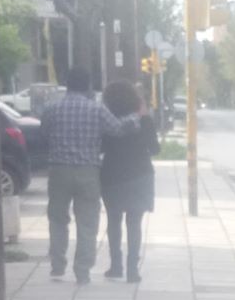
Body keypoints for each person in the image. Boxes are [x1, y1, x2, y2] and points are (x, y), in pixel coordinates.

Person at [42, 67, 138, 285]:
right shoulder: (97, 110)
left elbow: (44, 132)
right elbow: (117, 129)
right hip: (88, 171)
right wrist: (135, 117)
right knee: (87, 223)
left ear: (67, 84)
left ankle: (57, 266)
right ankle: (82, 271)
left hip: (59, 170)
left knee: (57, 218)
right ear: (87, 86)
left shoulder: (52, 109)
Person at [99, 80, 158, 284]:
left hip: (112, 175)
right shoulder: (144, 121)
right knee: (134, 223)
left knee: (113, 221)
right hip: (140, 175)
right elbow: (155, 149)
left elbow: (101, 147)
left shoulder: (108, 122)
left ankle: (116, 266)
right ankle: (133, 270)